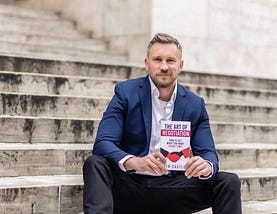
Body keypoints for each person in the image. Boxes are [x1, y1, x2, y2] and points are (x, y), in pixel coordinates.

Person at [83, 33, 242, 214]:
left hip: (173, 189)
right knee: (95, 163)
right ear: (147, 63)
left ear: (180, 65)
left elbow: (208, 152)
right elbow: (103, 143)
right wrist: (135, 162)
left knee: (228, 181)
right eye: (157, 59)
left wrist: (206, 166)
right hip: (129, 185)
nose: (164, 66)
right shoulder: (125, 92)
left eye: (170, 60)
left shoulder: (195, 104)